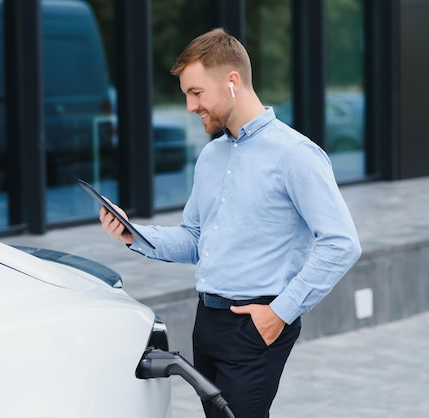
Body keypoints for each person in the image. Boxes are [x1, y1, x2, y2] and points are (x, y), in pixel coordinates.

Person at [98, 28, 362, 418]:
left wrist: (281, 313)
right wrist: (133, 235)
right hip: (206, 322)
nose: (190, 106)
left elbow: (342, 243)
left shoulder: (296, 155)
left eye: (196, 93)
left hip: (256, 325)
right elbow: (195, 240)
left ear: (232, 82)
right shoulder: (210, 158)